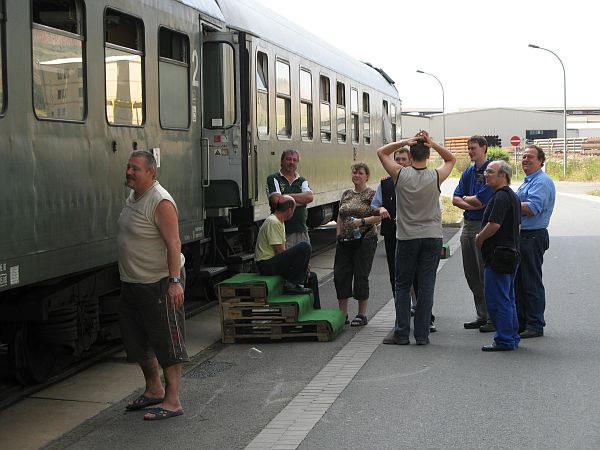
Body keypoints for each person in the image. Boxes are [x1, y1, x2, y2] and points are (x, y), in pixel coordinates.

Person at [117, 150, 187, 421]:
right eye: (128, 167)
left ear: (151, 173)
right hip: (133, 283)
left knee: (167, 342)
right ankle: (154, 389)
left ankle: (172, 401)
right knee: (137, 342)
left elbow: (174, 244)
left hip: (159, 283)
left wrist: (174, 282)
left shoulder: (160, 201)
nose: (129, 172)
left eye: (135, 168)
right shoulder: (135, 196)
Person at [377, 130, 455, 345]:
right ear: (428, 156)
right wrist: (433, 142)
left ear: (410, 156)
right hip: (432, 237)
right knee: (427, 285)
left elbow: (381, 152)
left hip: (407, 237)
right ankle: (422, 335)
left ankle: (402, 333)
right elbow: (451, 158)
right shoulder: (436, 176)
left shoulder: (400, 175)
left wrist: (405, 141)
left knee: (402, 285)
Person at [372, 149, 436, 333]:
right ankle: (403, 317)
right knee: (397, 279)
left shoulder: (422, 179)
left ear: (410, 161)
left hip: (414, 235)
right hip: (394, 235)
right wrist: (381, 209)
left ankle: (425, 318)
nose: (399, 162)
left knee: (418, 278)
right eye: (397, 159)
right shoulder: (385, 183)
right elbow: (375, 205)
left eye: (403, 159)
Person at [475, 160, 521, 351]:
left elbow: (494, 224)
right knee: (507, 298)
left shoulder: (501, 197)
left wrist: (479, 238)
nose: (486, 174)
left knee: (497, 300)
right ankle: (511, 336)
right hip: (510, 253)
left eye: (490, 172)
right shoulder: (512, 196)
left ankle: (504, 339)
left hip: (499, 256)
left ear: (503, 175)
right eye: (486, 171)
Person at [452, 136, 495, 332]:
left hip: (482, 225)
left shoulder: (491, 171)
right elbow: (455, 198)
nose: (470, 152)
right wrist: (471, 201)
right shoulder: (468, 171)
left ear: (484, 148)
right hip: (467, 225)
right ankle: (481, 315)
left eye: (473, 148)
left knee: (484, 271)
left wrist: (468, 200)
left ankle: (492, 317)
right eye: (468, 149)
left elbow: (483, 202)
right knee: (471, 273)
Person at [515, 145, 556, 338]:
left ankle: (535, 324)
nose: (526, 160)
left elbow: (532, 207)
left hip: (532, 236)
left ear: (541, 161)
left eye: (530, 157)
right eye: (523, 157)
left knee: (531, 282)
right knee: (520, 283)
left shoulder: (541, 182)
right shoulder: (527, 182)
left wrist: (508, 203)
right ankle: (523, 322)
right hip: (523, 236)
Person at [334, 162, 381, 327]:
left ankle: (361, 314)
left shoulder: (371, 195)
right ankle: (343, 314)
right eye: (354, 173)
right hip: (345, 241)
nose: (357, 176)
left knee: (361, 275)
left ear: (367, 176)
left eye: (360, 173)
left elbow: (380, 216)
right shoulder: (346, 194)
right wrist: (338, 234)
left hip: (365, 240)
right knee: (341, 275)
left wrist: (361, 222)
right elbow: (340, 216)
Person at [255, 195, 321, 307]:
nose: (293, 212)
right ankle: (292, 284)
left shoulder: (280, 221)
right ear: (290, 210)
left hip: (274, 261)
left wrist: (302, 266)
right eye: (294, 210)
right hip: (266, 264)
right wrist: (295, 266)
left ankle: (315, 311)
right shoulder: (273, 222)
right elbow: (280, 252)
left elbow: (285, 251)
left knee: (312, 277)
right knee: (305, 246)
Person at [266, 150, 314, 247]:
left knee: (303, 260)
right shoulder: (273, 178)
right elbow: (277, 201)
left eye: (294, 160)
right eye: (288, 159)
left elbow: (309, 197)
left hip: (301, 230)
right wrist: (301, 200)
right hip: (282, 230)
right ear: (282, 161)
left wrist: (285, 196)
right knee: (285, 260)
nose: (291, 162)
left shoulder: (302, 180)